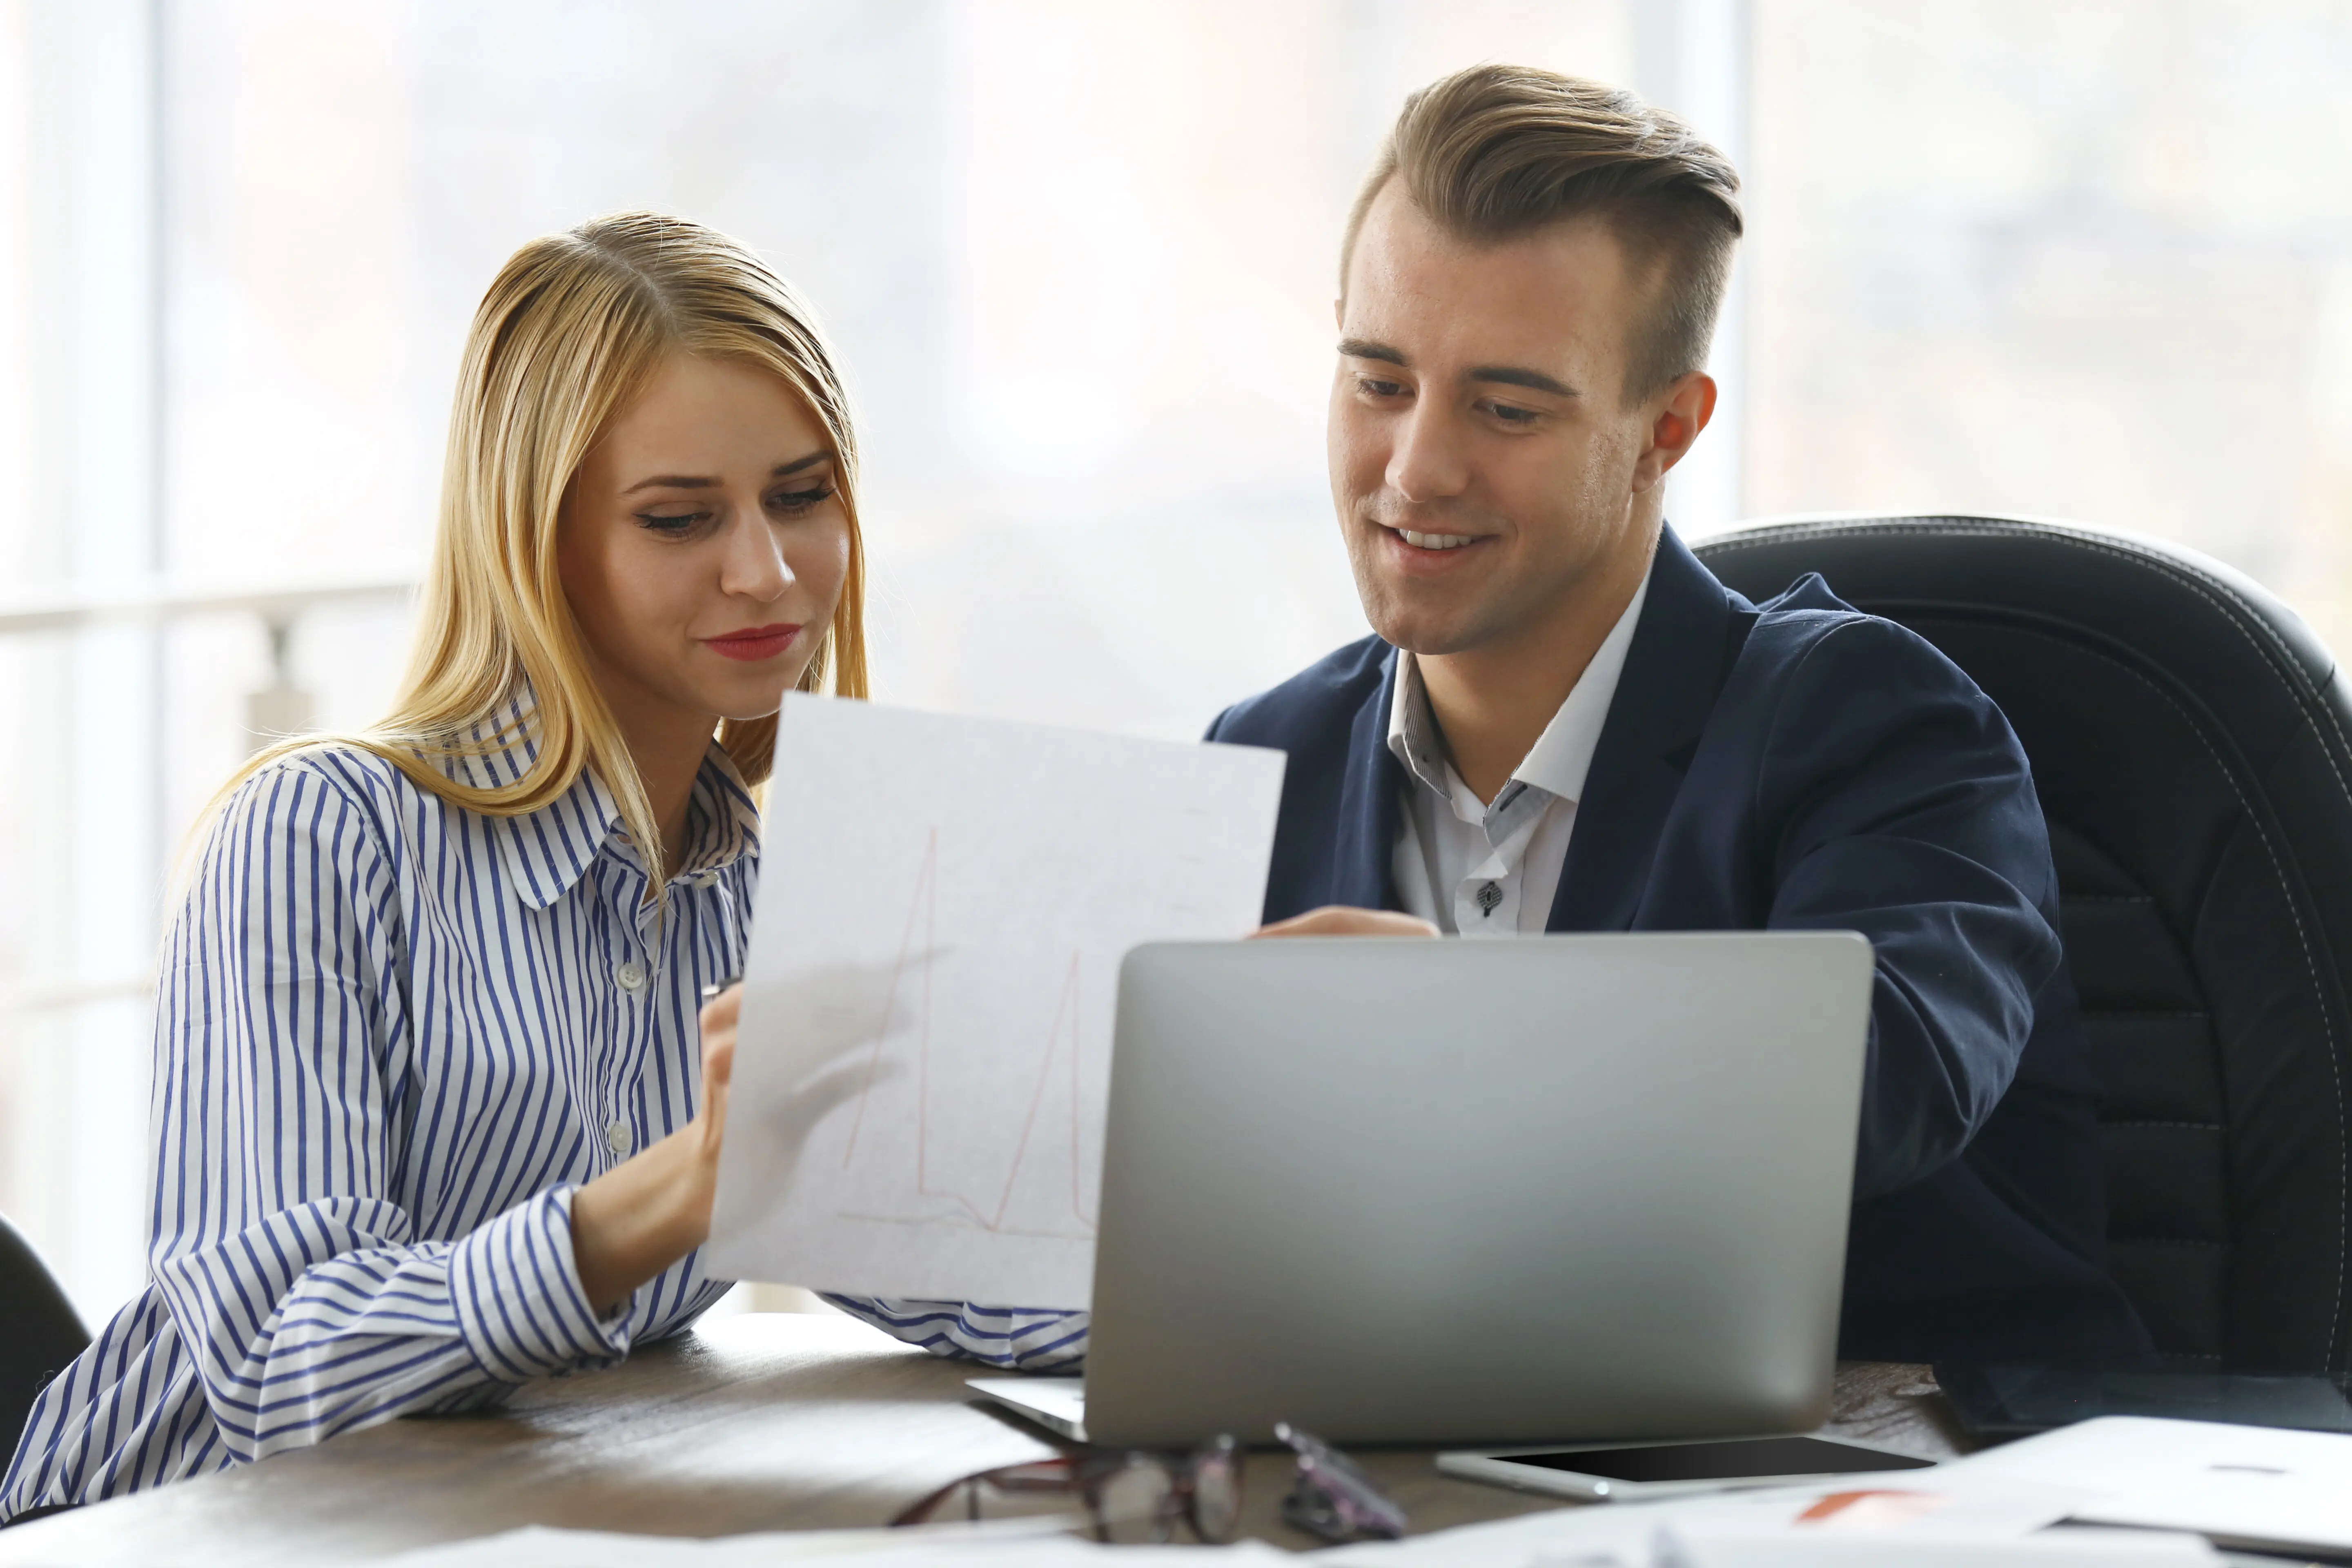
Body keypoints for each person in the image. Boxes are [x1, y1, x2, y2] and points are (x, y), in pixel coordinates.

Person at [0, 213, 1066, 1524]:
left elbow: (979, 1289)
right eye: (680, 519)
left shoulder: (755, 895)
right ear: (535, 541)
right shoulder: (318, 838)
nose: (768, 570)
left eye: (802, 496)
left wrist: (1213, 1112)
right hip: (154, 1531)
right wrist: (669, 1197)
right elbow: (277, 1364)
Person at [1211, 64, 2147, 1361]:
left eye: (1505, 407)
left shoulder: (1880, 729)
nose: (1416, 468)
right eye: (1380, 383)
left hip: (1862, 1490)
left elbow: (1876, 1081)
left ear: (1668, 427)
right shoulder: (1262, 761)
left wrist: (1446, 1038)